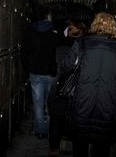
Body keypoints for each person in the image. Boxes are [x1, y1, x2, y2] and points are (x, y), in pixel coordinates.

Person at [63, 12, 116, 157]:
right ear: (114, 27)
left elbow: (67, 65)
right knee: (102, 146)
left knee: (80, 144)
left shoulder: (81, 43)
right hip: (109, 104)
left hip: (83, 100)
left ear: (94, 25)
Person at [47, 20, 87, 157]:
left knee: (56, 119)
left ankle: (54, 149)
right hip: (76, 90)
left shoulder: (58, 45)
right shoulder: (84, 48)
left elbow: (53, 67)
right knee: (75, 122)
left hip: (57, 87)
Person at [20, 8, 61, 139]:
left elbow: (23, 52)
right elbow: (60, 52)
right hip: (50, 72)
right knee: (50, 103)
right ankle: (49, 129)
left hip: (35, 72)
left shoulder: (31, 32)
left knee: (38, 103)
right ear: (50, 18)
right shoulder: (55, 33)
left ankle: (40, 131)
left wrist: (28, 67)